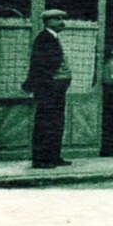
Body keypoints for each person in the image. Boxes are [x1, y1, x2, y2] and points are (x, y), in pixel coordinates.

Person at [22, 9, 72, 169]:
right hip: (48, 88)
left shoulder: (52, 38)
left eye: (62, 18)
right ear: (48, 22)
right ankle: (41, 160)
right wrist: (48, 84)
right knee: (46, 123)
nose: (61, 22)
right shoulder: (44, 39)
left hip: (55, 89)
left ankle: (53, 156)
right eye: (57, 19)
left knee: (56, 123)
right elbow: (41, 65)